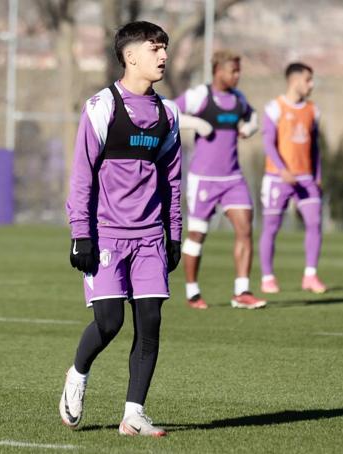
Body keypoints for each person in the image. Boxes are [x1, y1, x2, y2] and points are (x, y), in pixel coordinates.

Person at [60, 22, 181, 436]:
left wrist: (175, 232)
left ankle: (134, 414)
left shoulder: (169, 114)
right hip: (106, 234)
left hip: (150, 237)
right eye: (155, 48)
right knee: (109, 323)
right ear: (131, 56)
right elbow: (81, 175)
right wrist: (81, 233)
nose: (163, 56)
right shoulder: (102, 106)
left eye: (164, 48)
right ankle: (77, 375)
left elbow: (172, 180)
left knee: (150, 322)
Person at [175, 50, 266, 310]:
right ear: (218, 71)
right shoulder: (200, 96)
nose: (237, 76)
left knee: (245, 228)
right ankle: (193, 292)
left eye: (239, 71)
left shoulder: (239, 98)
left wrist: (250, 127)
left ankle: (242, 291)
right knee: (197, 234)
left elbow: (252, 115)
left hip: (233, 178)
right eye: (233, 71)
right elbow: (168, 112)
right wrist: (195, 123)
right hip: (203, 179)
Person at [258, 62, 326, 294]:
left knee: (315, 222)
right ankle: (267, 278)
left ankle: (310, 275)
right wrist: (282, 169)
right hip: (278, 178)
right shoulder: (274, 108)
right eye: (308, 79)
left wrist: (318, 175)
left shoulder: (312, 110)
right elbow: (267, 143)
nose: (311, 84)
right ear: (295, 81)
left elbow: (315, 146)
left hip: (306, 178)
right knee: (271, 227)